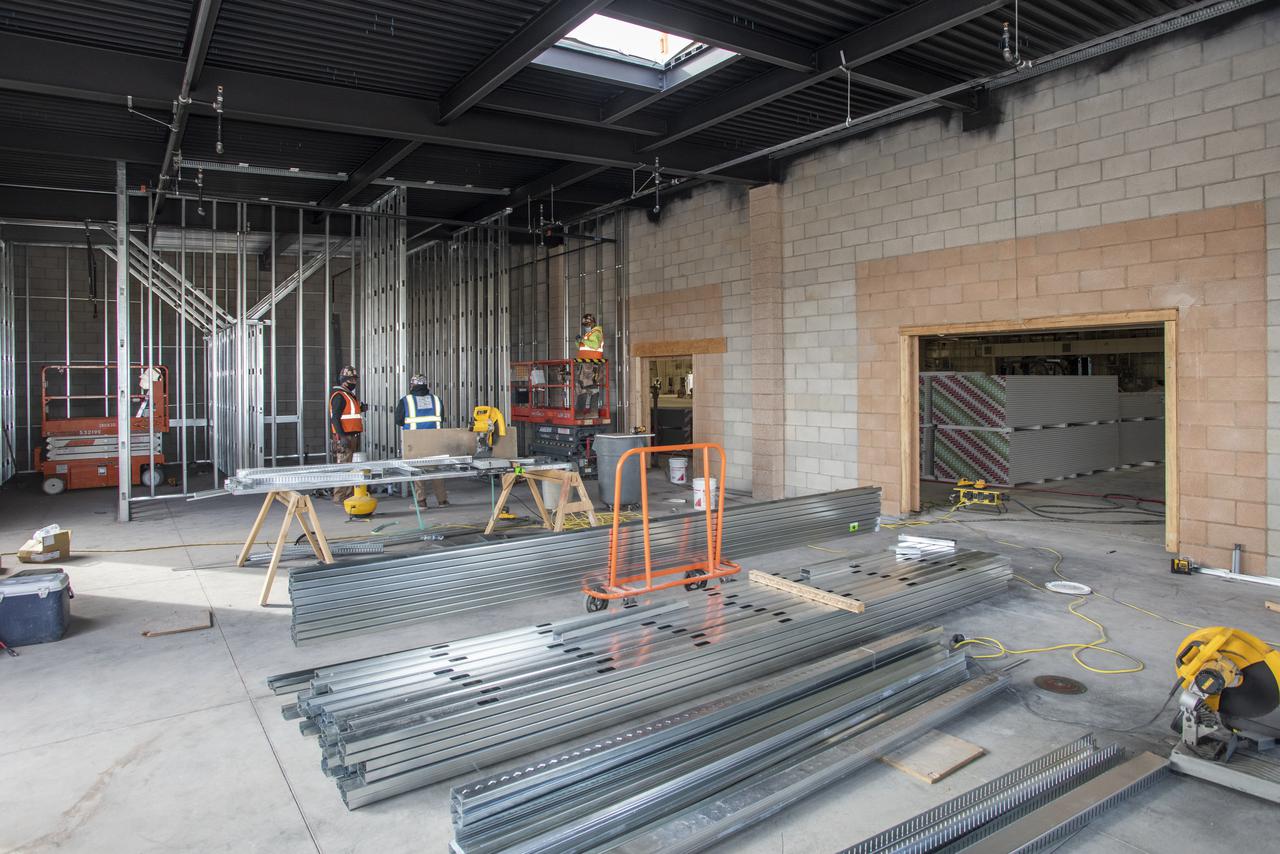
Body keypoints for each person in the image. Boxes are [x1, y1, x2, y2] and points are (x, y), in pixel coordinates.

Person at [395, 374, 448, 508]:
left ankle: (421, 502)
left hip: (414, 440)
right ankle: (442, 501)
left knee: (418, 469)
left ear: (412, 385)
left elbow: (398, 421)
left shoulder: (406, 401)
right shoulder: (436, 399)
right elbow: (441, 418)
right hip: (434, 440)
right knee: (436, 470)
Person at [329, 365, 366, 505]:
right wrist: (341, 437)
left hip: (352, 436)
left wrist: (361, 409)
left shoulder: (348, 395)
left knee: (349, 467)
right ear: (344, 380)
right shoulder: (339, 396)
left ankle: (349, 494)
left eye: (355, 379)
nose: (354, 382)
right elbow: (335, 418)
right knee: (343, 467)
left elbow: (348, 414)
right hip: (345, 437)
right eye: (351, 379)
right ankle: (339, 497)